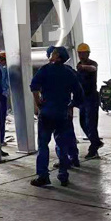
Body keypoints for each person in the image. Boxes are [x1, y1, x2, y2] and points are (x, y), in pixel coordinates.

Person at [30, 46, 84, 187]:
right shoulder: (69, 72)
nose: (50, 55)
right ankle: (63, 175)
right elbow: (79, 94)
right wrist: (70, 105)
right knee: (62, 145)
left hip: (47, 113)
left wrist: (37, 101)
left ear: (58, 57)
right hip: (62, 114)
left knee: (43, 145)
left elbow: (34, 86)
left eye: (53, 53)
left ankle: (43, 176)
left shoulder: (45, 69)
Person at [76, 43, 103, 159]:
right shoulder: (78, 65)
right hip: (83, 98)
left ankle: (93, 149)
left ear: (88, 53)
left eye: (83, 53)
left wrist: (83, 67)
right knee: (83, 123)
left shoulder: (92, 64)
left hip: (91, 97)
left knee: (91, 124)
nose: (81, 55)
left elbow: (93, 68)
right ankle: (96, 141)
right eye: (79, 53)